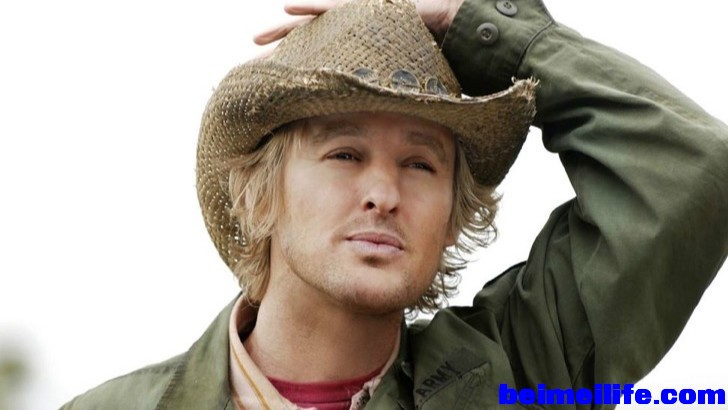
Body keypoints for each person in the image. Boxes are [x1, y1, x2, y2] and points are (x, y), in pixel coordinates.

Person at [61, 0, 728, 408]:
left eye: (419, 165)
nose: (383, 195)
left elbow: (692, 169)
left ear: (454, 215)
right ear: (256, 193)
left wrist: (478, 25)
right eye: (344, 154)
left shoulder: (523, 376)